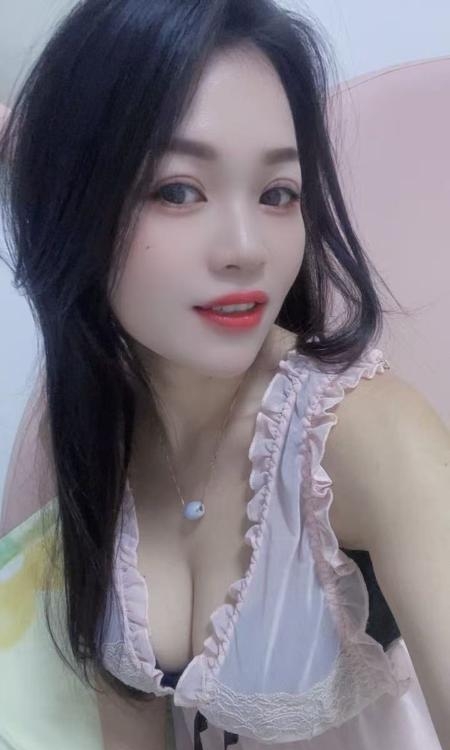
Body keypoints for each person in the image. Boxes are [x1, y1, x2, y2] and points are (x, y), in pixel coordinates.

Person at [0, 1, 448, 748]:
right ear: (73, 203)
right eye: (178, 190)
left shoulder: (366, 437)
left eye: (278, 193)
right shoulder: (95, 426)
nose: (246, 248)